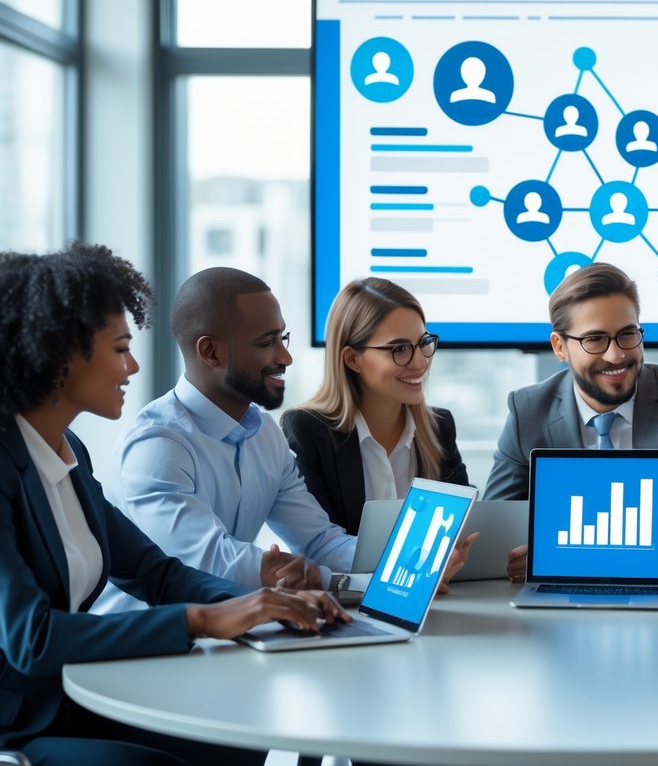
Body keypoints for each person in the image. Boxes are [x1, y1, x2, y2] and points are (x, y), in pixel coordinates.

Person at [0, 243, 345, 765]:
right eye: (119, 349)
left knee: (239, 733)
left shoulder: (70, 456)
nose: (133, 366)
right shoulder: (7, 469)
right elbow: (33, 640)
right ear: (57, 354)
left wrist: (262, 606)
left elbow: (155, 574)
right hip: (18, 720)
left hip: (71, 693)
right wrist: (202, 620)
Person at [483, 262, 658, 582]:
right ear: (560, 347)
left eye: (627, 334)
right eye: (595, 339)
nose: (616, 356)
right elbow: (493, 531)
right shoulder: (528, 412)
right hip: (557, 596)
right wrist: (542, 557)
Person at [101, 268, 357, 603]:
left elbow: (320, 540)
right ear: (211, 352)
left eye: (282, 338)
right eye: (267, 342)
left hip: (232, 623)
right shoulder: (157, 445)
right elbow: (212, 563)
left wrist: (406, 565)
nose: (285, 357)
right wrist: (321, 578)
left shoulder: (266, 434)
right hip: (152, 632)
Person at [281, 277, 471, 535]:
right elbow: (319, 543)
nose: (420, 363)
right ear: (352, 359)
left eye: (423, 343)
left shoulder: (439, 427)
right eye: (399, 349)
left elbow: (461, 528)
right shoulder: (308, 431)